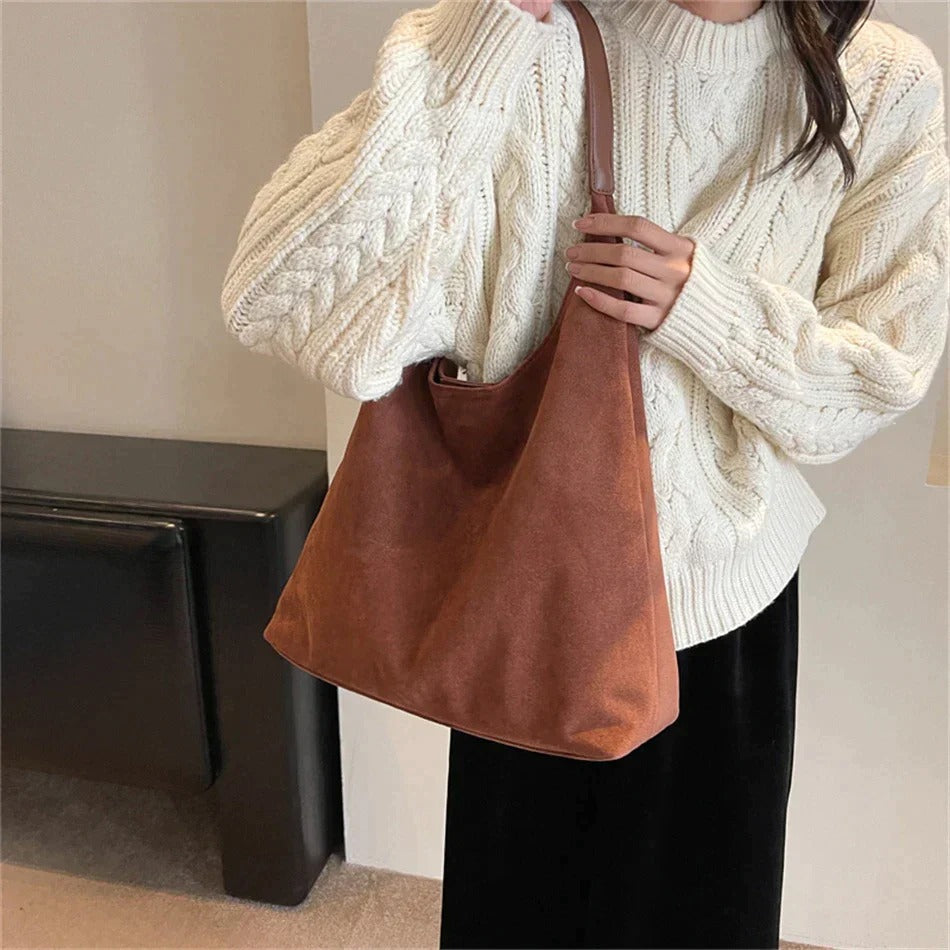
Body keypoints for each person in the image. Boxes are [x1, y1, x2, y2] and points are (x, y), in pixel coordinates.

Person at [219, 0, 949, 946]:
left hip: (727, 611)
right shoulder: (519, 39)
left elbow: (878, 374)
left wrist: (705, 308)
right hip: (533, 590)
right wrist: (487, 35)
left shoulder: (882, 79)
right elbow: (275, 294)